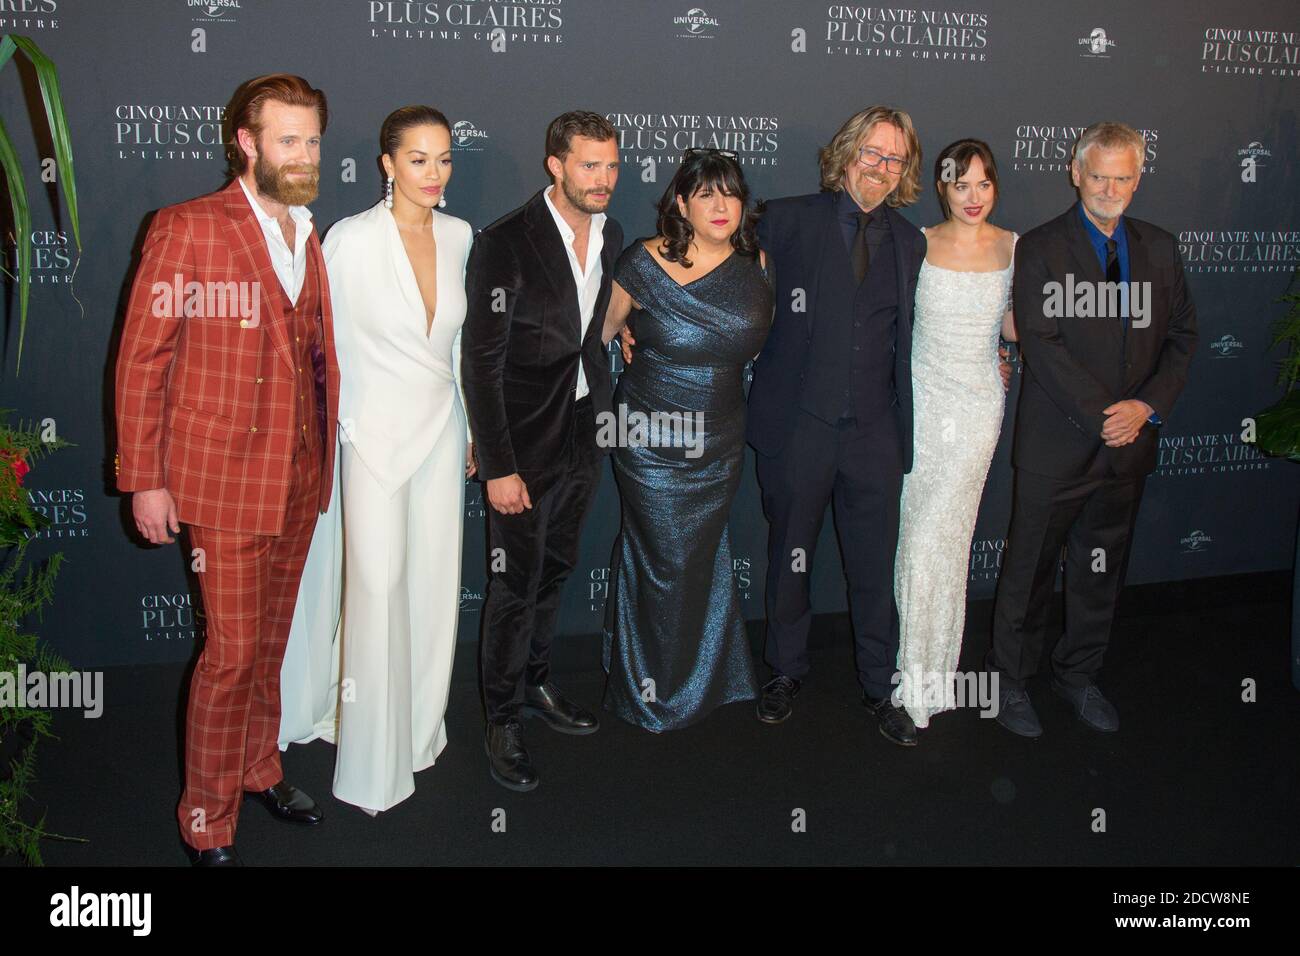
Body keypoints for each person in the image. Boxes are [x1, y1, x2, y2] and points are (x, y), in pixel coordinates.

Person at [114, 74, 339, 866]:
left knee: (270, 645)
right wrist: (145, 475)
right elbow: (144, 358)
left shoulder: (305, 232)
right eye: (288, 140)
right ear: (245, 143)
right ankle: (205, 815)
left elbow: (314, 360)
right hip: (220, 479)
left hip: (298, 475)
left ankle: (257, 766)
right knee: (231, 654)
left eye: (312, 140)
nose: (305, 154)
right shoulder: (188, 228)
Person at [278, 106, 476, 814]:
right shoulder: (351, 241)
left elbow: (458, 346)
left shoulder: (459, 237)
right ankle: (368, 761)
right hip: (368, 437)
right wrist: (330, 432)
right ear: (386, 164)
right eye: (418, 159)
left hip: (440, 431)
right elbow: (318, 349)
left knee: (430, 586)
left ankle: (418, 732)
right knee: (376, 586)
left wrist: (475, 427)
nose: (434, 173)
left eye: (444, 158)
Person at [988, 121, 1197, 737]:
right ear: (1075, 172)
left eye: (1123, 177)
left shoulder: (1160, 247)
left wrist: (1145, 409)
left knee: (1100, 570)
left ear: (1138, 180)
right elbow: (1044, 344)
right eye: (1098, 175)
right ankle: (1010, 684)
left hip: (1130, 445)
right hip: (1059, 443)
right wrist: (1106, 414)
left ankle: (1078, 675)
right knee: (1027, 571)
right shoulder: (1043, 247)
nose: (1110, 188)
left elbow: (1184, 337)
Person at [743, 106, 926, 746]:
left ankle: (881, 688)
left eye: (893, 159)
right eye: (871, 153)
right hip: (798, 428)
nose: (880, 168)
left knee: (873, 572)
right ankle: (785, 672)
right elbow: (716, 271)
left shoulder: (910, 241)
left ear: (905, 170)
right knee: (789, 561)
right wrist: (637, 317)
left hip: (874, 435)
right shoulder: (785, 220)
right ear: (846, 153)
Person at [461, 111, 623, 791]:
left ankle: (536, 683)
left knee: (555, 570)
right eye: (590, 166)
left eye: (613, 166)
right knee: (512, 585)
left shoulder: (608, 232)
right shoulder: (506, 242)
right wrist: (498, 464)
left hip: (583, 431)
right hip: (522, 443)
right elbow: (481, 360)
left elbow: (591, 324)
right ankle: (501, 717)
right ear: (554, 164)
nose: (605, 180)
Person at [601, 149, 772, 731]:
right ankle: (649, 689)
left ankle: (706, 678)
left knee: (697, 558)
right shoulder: (643, 262)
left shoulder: (759, 264)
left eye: (731, 193)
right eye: (705, 194)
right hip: (647, 436)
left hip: (721, 438)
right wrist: (621, 331)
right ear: (681, 203)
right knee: (662, 558)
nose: (721, 206)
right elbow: (597, 332)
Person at [893, 139, 1016, 729]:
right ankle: (912, 670)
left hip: (975, 410)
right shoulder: (917, 244)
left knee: (947, 541)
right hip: (922, 402)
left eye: (983, 183)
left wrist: (1004, 351)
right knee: (918, 536)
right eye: (960, 184)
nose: (973, 196)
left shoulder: (1015, 247)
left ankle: (929, 676)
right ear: (942, 187)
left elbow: (1017, 326)